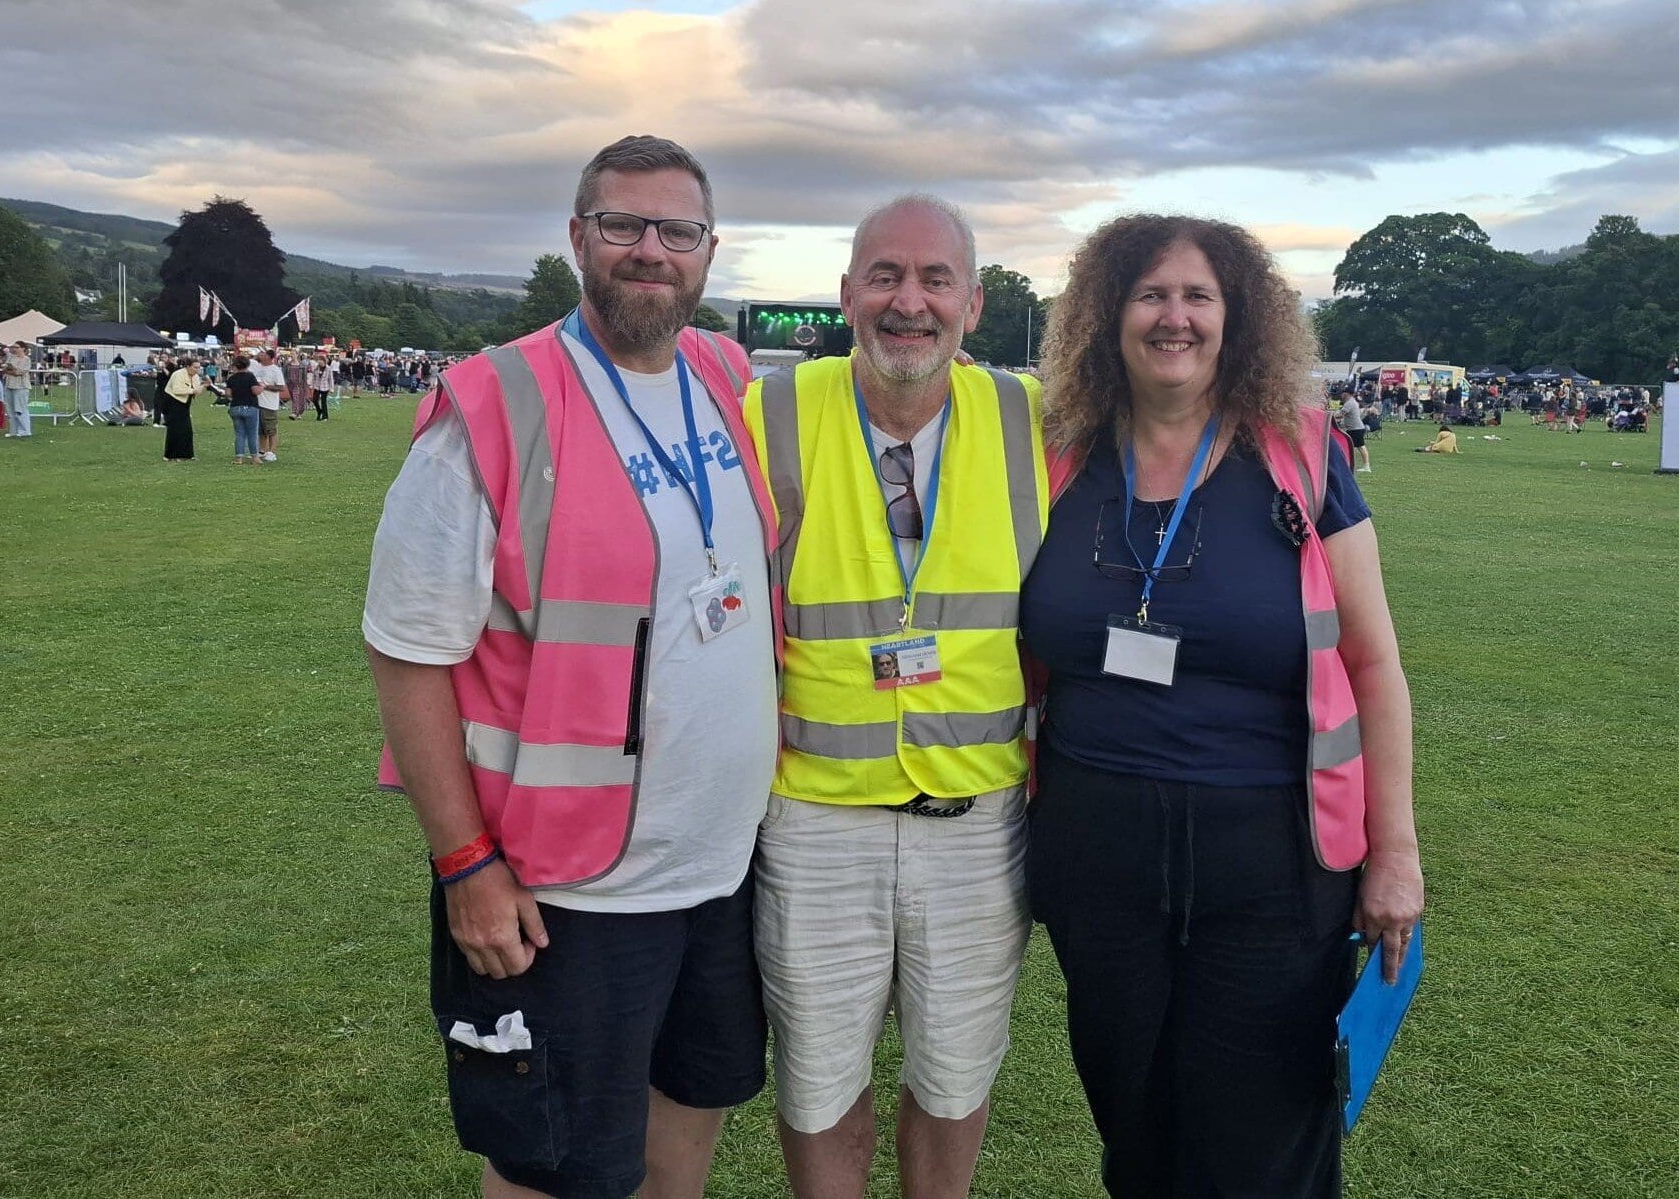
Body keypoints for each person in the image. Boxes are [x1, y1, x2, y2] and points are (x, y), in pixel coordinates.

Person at [366, 134, 773, 1199]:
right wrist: (463, 861)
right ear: (578, 238)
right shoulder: (494, 405)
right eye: (622, 225)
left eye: (675, 230)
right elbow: (408, 651)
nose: (650, 249)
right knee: (556, 1168)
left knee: (688, 1118)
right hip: (569, 881)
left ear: (709, 250)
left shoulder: (725, 376)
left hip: (723, 862)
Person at [1020, 214, 1424, 1198]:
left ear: (1236, 318)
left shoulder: (1299, 455)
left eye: (1199, 295)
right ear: (1107, 316)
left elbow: (1373, 663)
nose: (1175, 317)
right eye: (1151, 294)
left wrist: (1397, 850)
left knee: (1260, 1141)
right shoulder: (1054, 457)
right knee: (1137, 1124)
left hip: (1272, 864)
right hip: (1096, 853)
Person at [740, 194, 1047, 1199]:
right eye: (884, 276)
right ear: (846, 294)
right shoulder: (772, 407)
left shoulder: (1033, 415)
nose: (907, 301)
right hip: (817, 815)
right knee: (820, 1082)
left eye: (933, 278)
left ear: (975, 301)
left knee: (955, 1078)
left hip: (978, 815)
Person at [163, 357, 204, 461]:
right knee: (175, 429)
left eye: (199, 368)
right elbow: (176, 390)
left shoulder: (195, 376)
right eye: (195, 367)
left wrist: (202, 387)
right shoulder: (178, 374)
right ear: (188, 366)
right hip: (173, 401)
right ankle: (172, 455)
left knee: (187, 429)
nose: (197, 370)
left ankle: (187, 454)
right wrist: (193, 391)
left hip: (185, 402)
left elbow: (196, 390)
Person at [224, 353, 262, 464]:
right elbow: (255, 391)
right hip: (250, 406)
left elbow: (228, 394)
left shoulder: (231, 378)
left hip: (235, 407)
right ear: (247, 365)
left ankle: (239, 458)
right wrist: (262, 387)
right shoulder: (250, 376)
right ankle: (255, 457)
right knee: (252, 433)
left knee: (239, 434)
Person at [253, 348, 286, 461]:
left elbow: (281, 387)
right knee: (261, 430)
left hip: (269, 404)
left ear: (269, 357)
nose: (260, 356)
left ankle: (272, 452)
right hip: (258, 403)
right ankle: (262, 450)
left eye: (263, 354)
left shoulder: (275, 370)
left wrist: (265, 386)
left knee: (271, 429)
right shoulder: (258, 368)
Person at [2, 343, 33, 438]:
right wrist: (10, 370)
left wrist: (12, 370)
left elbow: (20, 372)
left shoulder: (26, 359)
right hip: (9, 385)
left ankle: (25, 430)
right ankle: (13, 431)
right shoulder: (11, 358)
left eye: (17, 347)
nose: (14, 349)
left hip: (21, 387)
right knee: (10, 410)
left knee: (20, 409)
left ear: (23, 348)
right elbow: (5, 369)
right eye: (13, 347)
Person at [1339, 390, 1370, 472]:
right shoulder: (1351, 402)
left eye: (1343, 392)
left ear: (1347, 393)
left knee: (1361, 447)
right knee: (1348, 446)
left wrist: (1330, 415)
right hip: (1352, 429)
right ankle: (1348, 464)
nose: (1341, 394)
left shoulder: (1350, 403)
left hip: (1356, 429)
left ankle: (1366, 466)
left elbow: (1340, 414)